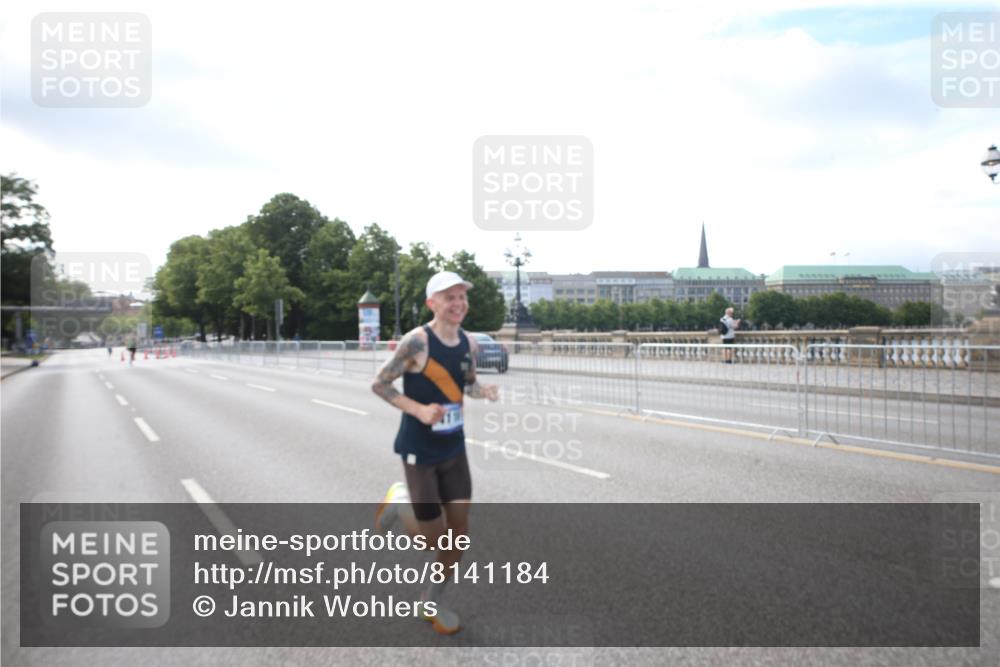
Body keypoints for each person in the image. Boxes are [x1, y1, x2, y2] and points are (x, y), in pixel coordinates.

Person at [371, 270, 499, 635]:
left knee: (459, 535)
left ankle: (432, 601)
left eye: (462, 297)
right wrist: (419, 410)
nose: (458, 304)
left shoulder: (470, 343)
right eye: (449, 297)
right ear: (432, 304)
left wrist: (483, 391)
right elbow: (380, 384)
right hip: (419, 450)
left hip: (454, 447)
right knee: (432, 541)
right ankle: (399, 502)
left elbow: (467, 384)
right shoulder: (416, 342)